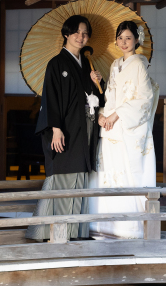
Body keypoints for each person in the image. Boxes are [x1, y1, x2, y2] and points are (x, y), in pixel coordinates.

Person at [26, 15, 104, 241]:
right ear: (66, 34)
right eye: (77, 32)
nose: (81, 37)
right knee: (62, 178)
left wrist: (98, 83)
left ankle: (75, 233)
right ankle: (51, 232)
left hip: (83, 132)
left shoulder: (86, 65)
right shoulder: (56, 63)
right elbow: (50, 99)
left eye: (85, 33)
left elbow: (96, 100)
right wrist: (56, 128)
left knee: (79, 178)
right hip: (64, 131)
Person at [89, 20, 159, 239]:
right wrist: (102, 114)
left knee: (125, 175)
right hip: (111, 128)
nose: (123, 42)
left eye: (128, 37)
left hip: (127, 127)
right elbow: (110, 95)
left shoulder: (139, 64)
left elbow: (144, 99)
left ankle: (127, 228)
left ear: (137, 40)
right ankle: (103, 225)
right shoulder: (115, 64)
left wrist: (115, 115)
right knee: (108, 174)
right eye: (120, 38)